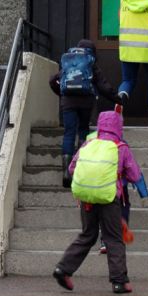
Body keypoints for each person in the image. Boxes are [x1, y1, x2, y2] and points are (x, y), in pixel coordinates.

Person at [53, 111, 141, 294]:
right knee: (113, 237)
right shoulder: (120, 147)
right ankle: (119, 281)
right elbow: (134, 175)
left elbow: (72, 167)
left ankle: (63, 269)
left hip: (86, 197)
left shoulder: (89, 143)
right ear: (119, 126)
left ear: (100, 125)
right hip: (109, 198)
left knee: (87, 234)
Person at [49, 39, 121, 187]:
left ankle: (66, 173)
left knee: (69, 133)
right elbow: (103, 87)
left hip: (68, 102)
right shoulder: (90, 63)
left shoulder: (69, 62)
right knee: (83, 131)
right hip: (86, 102)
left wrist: (62, 94)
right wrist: (118, 99)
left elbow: (52, 80)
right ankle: (80, 168)